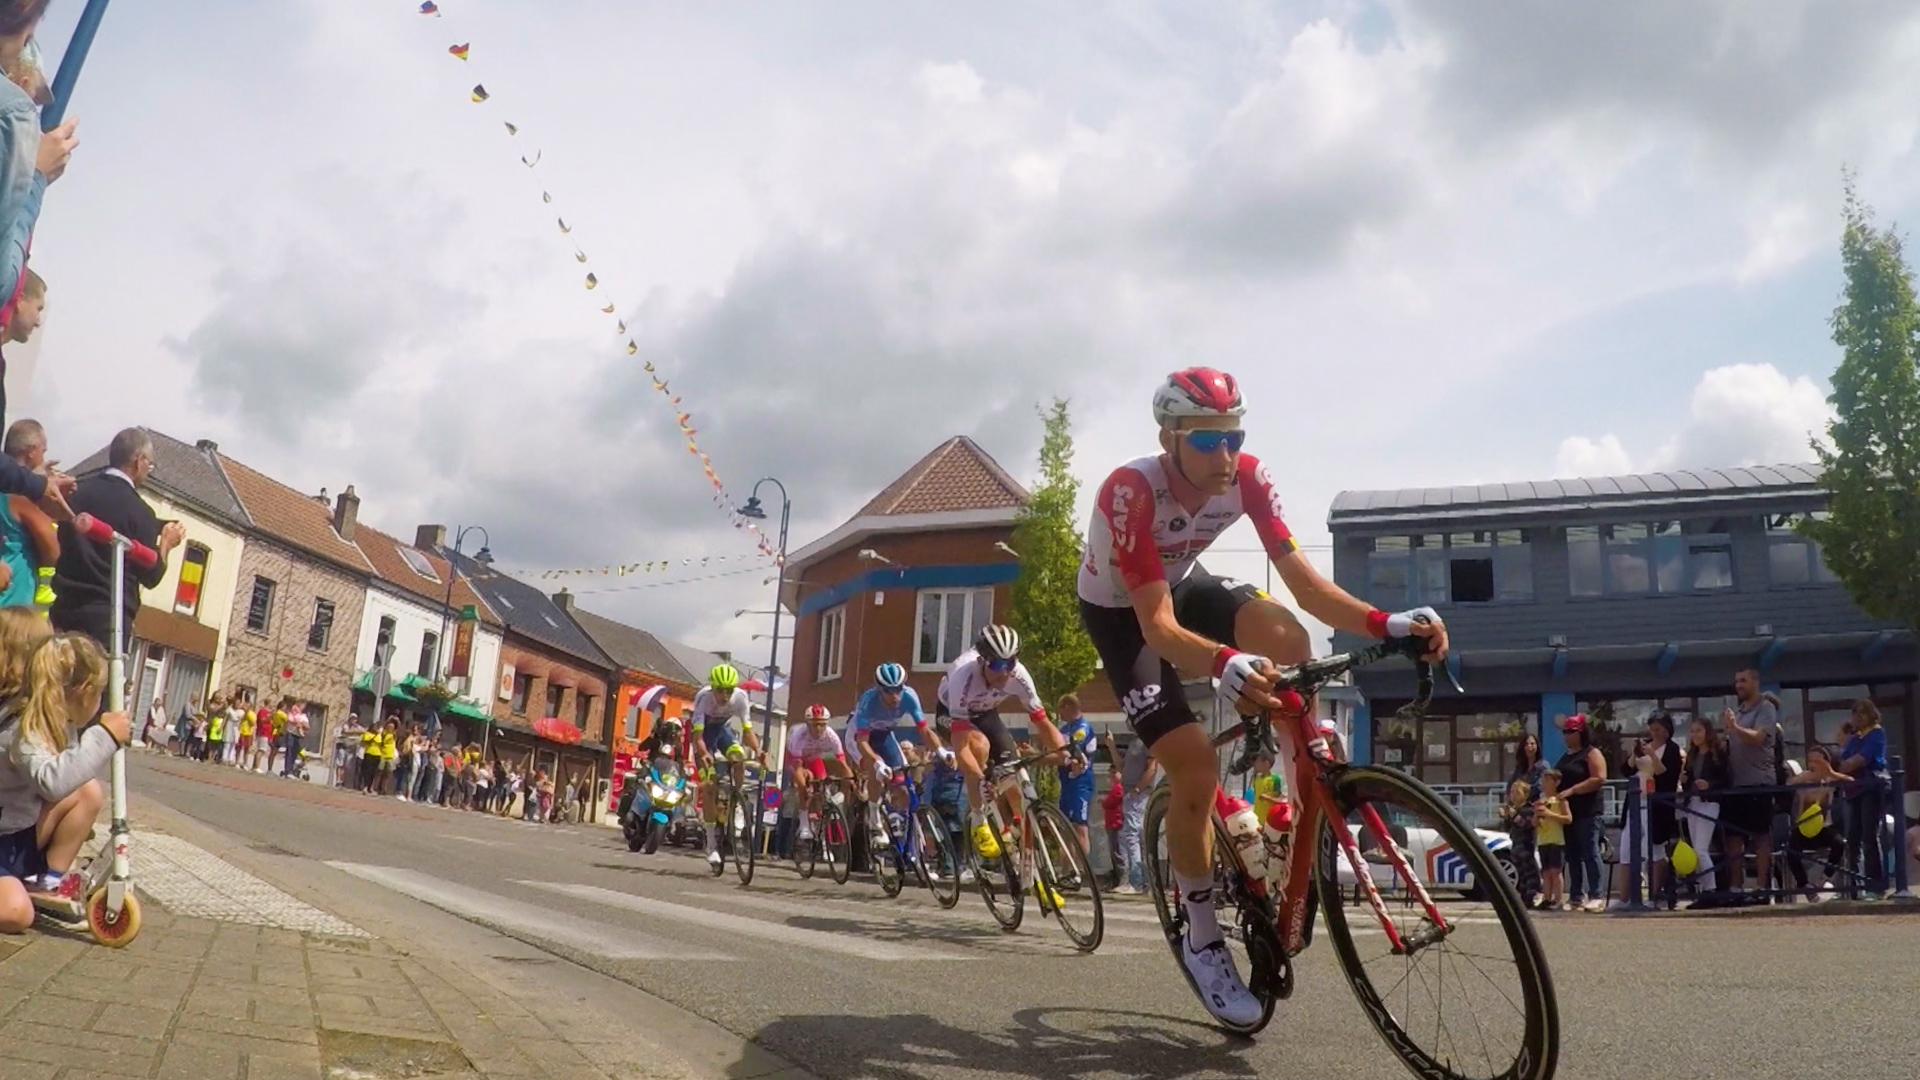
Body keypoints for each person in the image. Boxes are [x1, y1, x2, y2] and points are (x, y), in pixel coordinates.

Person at [1075, 368, 1450, 1026]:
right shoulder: (1131, 490)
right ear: (1169, 438)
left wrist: (1386, 623)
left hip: (1185, 584)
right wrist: (1224, 662)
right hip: (1124, 613)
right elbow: (1157, 629)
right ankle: (1201, 936)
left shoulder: (1247, 474)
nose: (1226, 455)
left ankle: (1288, 798)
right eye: (1207, 441)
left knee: (1287, 638)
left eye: (1234, 436)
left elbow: (1304, 586)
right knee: (1191, 762)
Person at [0, 631, 123, 930]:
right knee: (17, 913)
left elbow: (70, 777)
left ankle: (46, 882)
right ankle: (18, 892)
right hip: (4, 839)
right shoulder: (24, 725)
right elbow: (52, 782)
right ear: (83, 690)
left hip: (16, 835)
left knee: (88, 793)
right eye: (99, 694)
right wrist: (105, 738)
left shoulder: (58, 721)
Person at [49, 429, 181, 647]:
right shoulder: (141, 513)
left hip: (64, 608)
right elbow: (151, 576)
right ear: (138, 461)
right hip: (107, 618)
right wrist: (166, 543)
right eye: (150, 465)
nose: (148, 471)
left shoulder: (76, 493)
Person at [848, 662, 952, 837]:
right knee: (877, 772)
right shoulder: (868, 701)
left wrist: (942, 751)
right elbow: (862, 742)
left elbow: (924, 730)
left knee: (902, 785)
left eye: (899, 689)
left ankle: (900, 828)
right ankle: (874, 818)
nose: (895, 696)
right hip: (859, 738)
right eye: (889, 691)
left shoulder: (909, 696)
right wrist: (876, 763)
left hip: (885, 736)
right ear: (879, 689)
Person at [689, 663, 763, 870]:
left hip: (722, 731)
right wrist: (703, 754)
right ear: (712, 688)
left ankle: (736, 800)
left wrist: (758, 752)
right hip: (704, 737)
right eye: (720, 690)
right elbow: (697, 737)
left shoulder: (740, 698)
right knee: (711, 786)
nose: (724, 695)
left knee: (739, 757)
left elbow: (748, 732)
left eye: (728, 690)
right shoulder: (704, 698)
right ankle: (711, 844)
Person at [1719, 669, 1780, 904]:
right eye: (1736, 681)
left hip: (1760, 782)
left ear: (1756, 681)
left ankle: (1763, 888)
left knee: (1761, 837)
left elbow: (1757, 738)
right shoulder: (1739, 711)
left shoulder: (1766, 708)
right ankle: (1736, 888)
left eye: (1743, 680)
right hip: (1737, 784)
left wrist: (1734, 728)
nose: (1738, 685)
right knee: (1733, 837)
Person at [1553, 714, 1607, 912]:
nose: (1566, 736)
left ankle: (1597, 895)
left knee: (1590, 852)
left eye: (1571, 732)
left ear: (1581, 732)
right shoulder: (1565, 757)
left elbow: (1600, 777)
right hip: (1568, 813)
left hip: (1588, 811)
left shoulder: (1591, 753)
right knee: (1572, 855)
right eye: (1565, 732)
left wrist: (1574, 790)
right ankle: (1576, 896)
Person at [1838, 699, 1891, 900]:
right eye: (1854, 713)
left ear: (1871, 714)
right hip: (1854, 791)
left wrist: (1849, 764)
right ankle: (1854, 887)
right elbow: (1843, 762)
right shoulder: (1854, 737)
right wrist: (1848, 763)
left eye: (1862, 713)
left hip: (1871, 788)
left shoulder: (1877, 733)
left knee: (1869, 837)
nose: (1858, 717)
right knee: (1852, 839)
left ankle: (1875, 885)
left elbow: (1862, 759)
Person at [0, 418, 55, 608]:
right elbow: (52, 550)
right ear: (31, 451)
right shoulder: (21, 499)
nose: (43, 456)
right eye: (43, 450)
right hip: (12, 605)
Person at [1785, 745, 1849, 901]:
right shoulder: (1804, 778)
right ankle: (1805, 886)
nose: (1813, 764)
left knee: (1839, 844)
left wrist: (1831, 772)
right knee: (1791, 850)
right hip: (1803, 826)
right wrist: (1800, 778)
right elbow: (1787, 784)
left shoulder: (1830, 779)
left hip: (1824, 826)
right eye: (1811, 761)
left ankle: (1824, 878)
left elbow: (1850, 781)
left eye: (1818, 761)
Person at [787, 705, 851, 843]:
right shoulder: (799, 735)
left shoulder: (831, 736)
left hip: (814, 758)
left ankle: (821, 812)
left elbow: (843, 764)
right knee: (804, 784)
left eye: (822, 725)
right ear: (807, 724)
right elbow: (798, 768)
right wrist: (803, 786)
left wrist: (845, 788)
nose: (818, 729)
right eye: (814, 725)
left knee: (823, 781)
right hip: (796, 761)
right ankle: (804, 823)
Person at [1681, 716, 1728, 893]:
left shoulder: (1717, 753)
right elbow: (1688, 778)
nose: (1695, 735)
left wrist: (1710, 785)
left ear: (1707, 732)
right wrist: (1685, 780)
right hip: (1693, 802)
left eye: (1698, 730)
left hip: (1709, 802)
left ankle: (1710, 889)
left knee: (1701, 849)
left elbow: (1725, 778)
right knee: (1696, 850)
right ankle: (1703, 888)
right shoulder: (1692, 754)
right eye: (1692, 731)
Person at [1505, 733, 1545, 906]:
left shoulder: (1542, 766)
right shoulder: (1519, 769)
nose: (1530, 747)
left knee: (1526, 853)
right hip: (1516, 812)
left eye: (1533, 743)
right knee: (1516, 854)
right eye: (1527, 744)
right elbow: (1510, 788)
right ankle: (1523, 892)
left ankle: (1535, 890)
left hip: (1531, 811)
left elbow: (1537, 789)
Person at [1533, 769, 1570, 912]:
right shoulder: (1540, 801)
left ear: (1557, 782)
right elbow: (1534, 823)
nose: (1544, 784)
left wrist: (1549, 814)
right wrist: (1537, 816)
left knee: (1555, 871)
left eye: (1548, 781)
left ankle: (1558, 899)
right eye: (1543, 781)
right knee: (1546, 872)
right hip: (1543, 840)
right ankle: (1547, 898)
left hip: (1556, 840)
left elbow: (1568, 818)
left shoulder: (1560, 800)